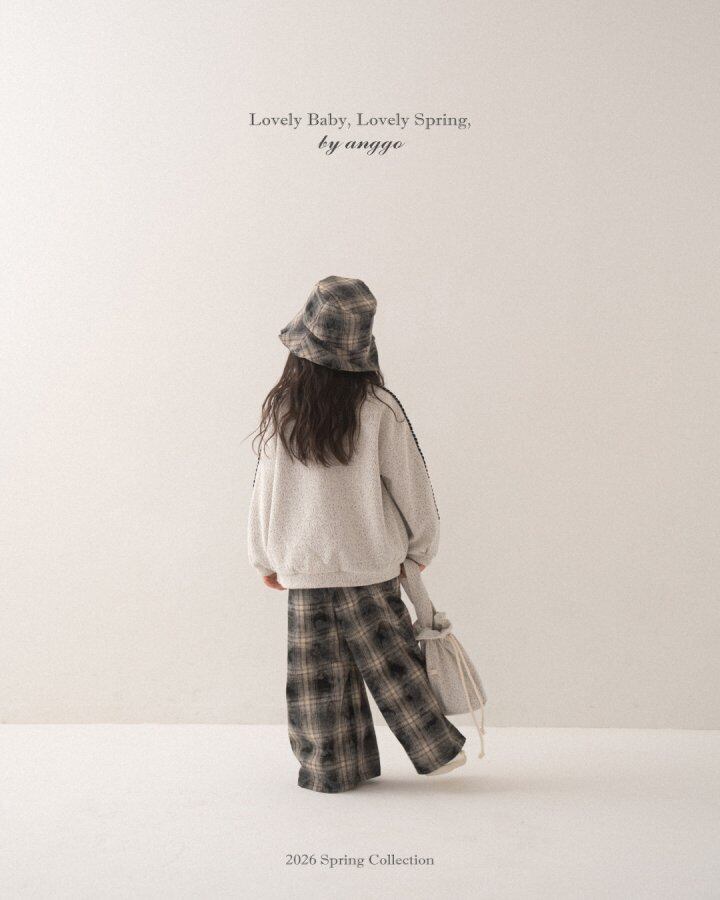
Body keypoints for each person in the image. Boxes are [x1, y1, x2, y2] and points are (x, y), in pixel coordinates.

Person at [247, 276, 466, 793]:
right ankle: (436, 748)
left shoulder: (283, 410)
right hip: (369, 561)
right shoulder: (379, 407)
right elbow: (412, 485)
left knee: (316, 682)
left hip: (304, 565)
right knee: (393, 664)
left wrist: (265, 557)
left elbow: (264, 492)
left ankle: (332, 768)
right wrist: (421, 547)